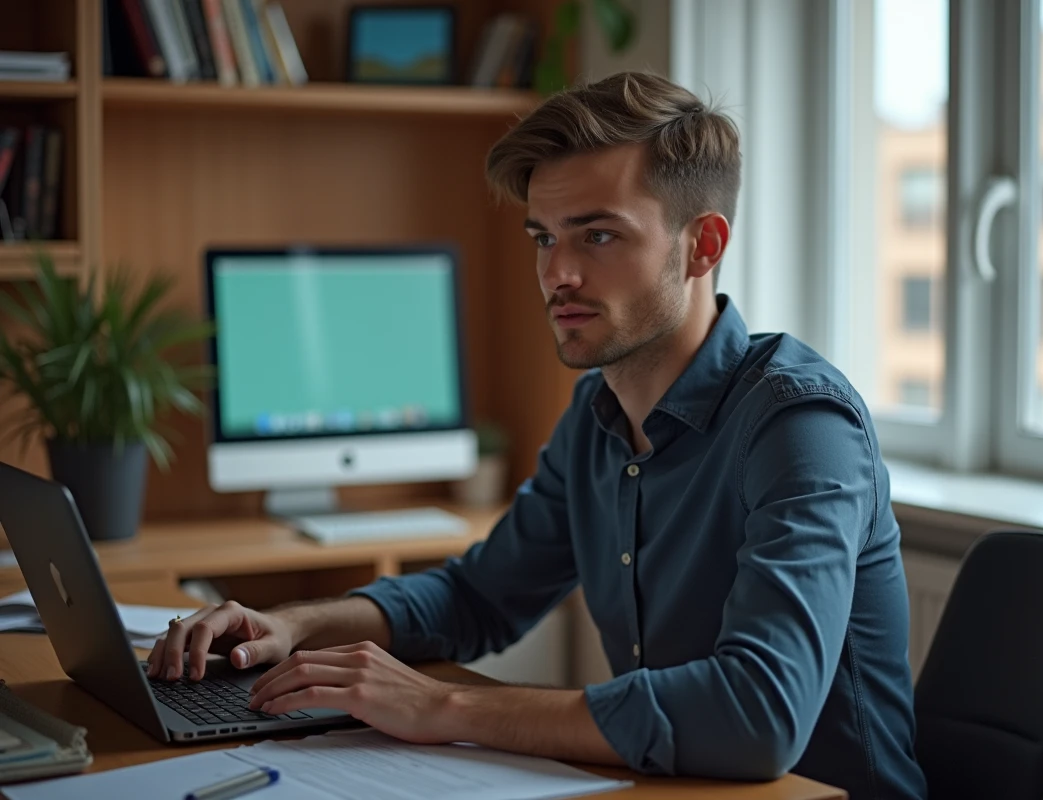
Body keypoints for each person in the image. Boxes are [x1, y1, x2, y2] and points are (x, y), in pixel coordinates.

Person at [150, 71, 927, 799]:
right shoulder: (598, 415)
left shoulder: (801, 425)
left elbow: (756, 717)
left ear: (704, 246)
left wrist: (444, 707)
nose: (558, 274)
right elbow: (476, 596)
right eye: (543, 238)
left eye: (596, 237)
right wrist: (295, 625)